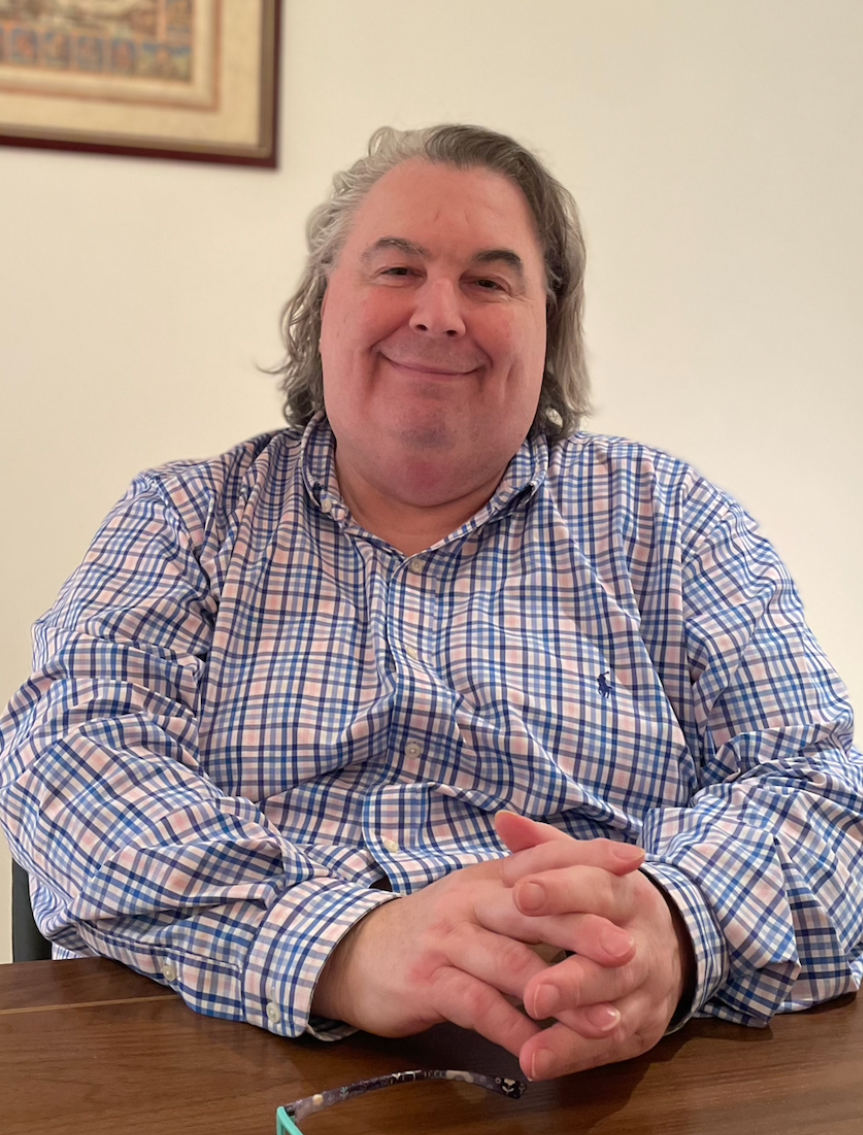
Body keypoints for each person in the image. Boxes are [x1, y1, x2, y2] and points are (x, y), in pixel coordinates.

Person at [1, 125, 862, 1084]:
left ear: (549, 327)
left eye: (491, 282)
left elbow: (826, 794)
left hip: (607, 1082)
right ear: (322, 304)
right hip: (222, 1064)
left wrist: (676, 923)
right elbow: (65, 765)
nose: (439, 314)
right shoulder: (184, 517)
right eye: (398, 268)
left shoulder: (671, 521)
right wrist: (346, 945)